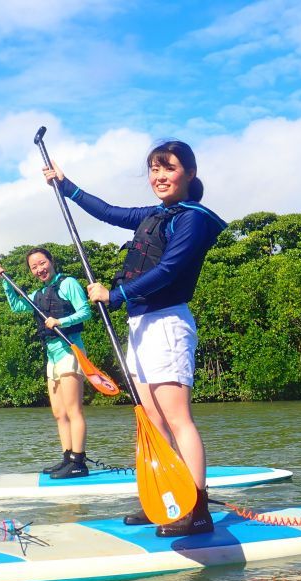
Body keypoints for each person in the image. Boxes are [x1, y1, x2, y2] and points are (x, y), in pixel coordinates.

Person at [43, 140, 227, 536]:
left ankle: (195, 508)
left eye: (169, 168)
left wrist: (116, 294)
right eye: (154, 169)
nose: (160, 176)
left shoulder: (192, 219)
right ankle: (163, 497)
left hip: (167, 323)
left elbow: (170, 270)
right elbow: (110, 212)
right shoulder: (157, 214)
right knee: (152, 418)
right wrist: (66, 185)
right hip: (139, 326)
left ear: (189, 174)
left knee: (178, 419)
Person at [0, 247, 92, 479]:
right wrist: (5, 283)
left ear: (51, 261)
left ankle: (79, 461)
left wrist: (61, 320)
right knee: (59, 413)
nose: (39, 269)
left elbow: (85, 311)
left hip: (70, 350)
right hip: (52, 355)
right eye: (34, 267)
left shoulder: (68, 284)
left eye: (41, 263)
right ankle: (67, 458)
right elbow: (17, 306)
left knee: (73, 410)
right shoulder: (38, 294)